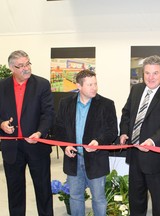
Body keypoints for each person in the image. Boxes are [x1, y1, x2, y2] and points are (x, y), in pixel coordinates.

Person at [119, 55, 160, 216]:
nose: (150, 77)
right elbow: (126, 113)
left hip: (157, 159)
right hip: (135, 157)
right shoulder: (137, 89)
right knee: (136, 200)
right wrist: (124, 131)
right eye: (147, 73)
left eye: (155, 73)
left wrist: (152, 141)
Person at [54, 69, 118, 216]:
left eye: (95, 84)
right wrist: (65, 145)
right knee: (75, 197)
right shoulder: (65, 103)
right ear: (79, 86)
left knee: (99, 198)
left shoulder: (106, 104)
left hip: (96, 160)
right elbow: (59, 128)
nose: (94, 88)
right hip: (73, 159)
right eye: (90, 85)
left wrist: (98, 141)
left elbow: (112, 131)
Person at [0, 50, 54, 216]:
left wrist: (39, 132)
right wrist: (1, 124)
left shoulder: (42, 84)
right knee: (14, 191)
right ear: (12, 68)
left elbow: (48, 113)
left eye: (28, 63)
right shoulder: (2, 86)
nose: (26, 68)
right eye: (21, 65)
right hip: (11, 147)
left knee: (43, 189)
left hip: (36, 145)